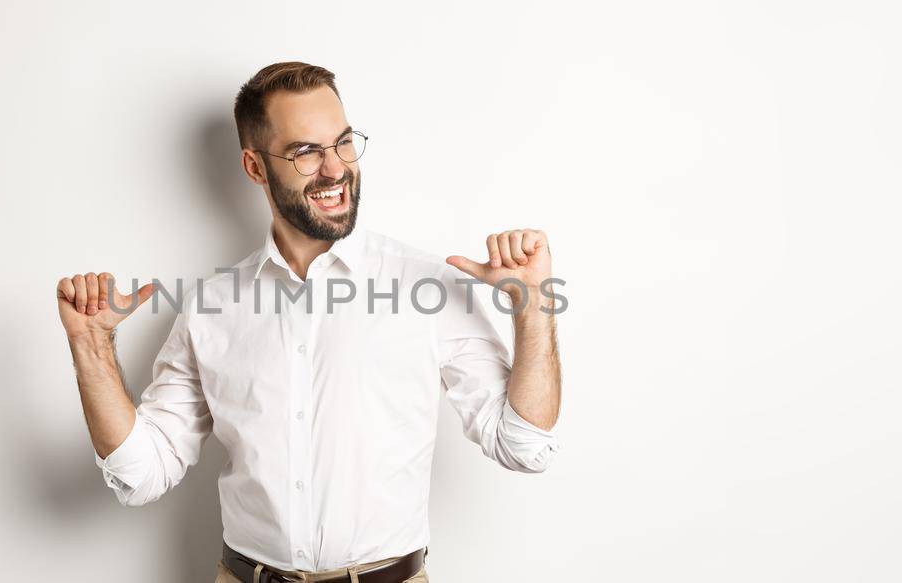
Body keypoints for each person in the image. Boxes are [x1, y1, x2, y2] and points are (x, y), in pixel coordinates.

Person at [55, 61, 563, 583]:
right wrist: (91, 346)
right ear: (254, 167)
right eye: (305, 152)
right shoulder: (211, 306)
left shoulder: (426, 287)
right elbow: (142, 475)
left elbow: (524, 447)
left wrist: (533, 309)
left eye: (343, 142)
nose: (335, 168)